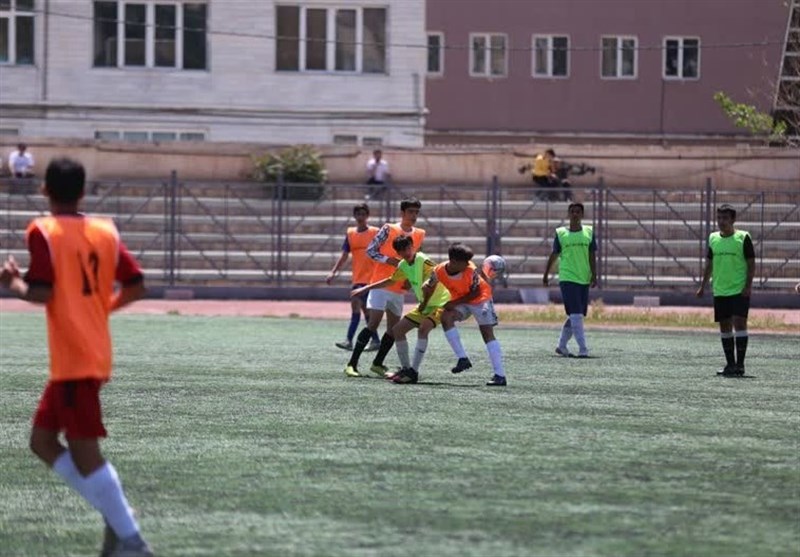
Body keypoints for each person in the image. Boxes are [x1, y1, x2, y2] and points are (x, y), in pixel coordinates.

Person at [0, 157, 153, 557]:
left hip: (74, 358)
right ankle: (118, 519)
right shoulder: (104, 230)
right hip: (91, 352)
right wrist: (101, 309)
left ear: (44, 190)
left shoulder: (43, 230)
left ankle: (131, 538)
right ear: (84, 192)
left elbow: (41, 292)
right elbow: (136, 285)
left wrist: (12, 282)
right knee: (42, 441)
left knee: (85, 452)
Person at [351, 234, 450, 384]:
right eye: (402, 250)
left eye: (408, 248)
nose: (406, 252)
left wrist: (424, 304)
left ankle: (413, 372)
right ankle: (406, 369)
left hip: (439, 303)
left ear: (413, 247)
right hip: (425, 304)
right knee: (397, 330)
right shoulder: (403, 264)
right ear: (398, 253)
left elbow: (434, 282)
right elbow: (391, 280)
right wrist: (366, 288)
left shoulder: (423, 260)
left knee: (423, 329)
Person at [343, 197, 425, 378]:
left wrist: (410, 280)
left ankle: (377, 363)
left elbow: (415, 260)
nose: (414, 216)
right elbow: (370, 250)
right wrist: (389, 260)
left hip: (399, 288)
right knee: (373, 323)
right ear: (402, 213)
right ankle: (351, 364)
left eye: (416, 212)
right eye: (410, 212)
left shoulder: (420, 233)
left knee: (393, 329)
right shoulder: (388, 228)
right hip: (380, 283)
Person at [423, 243, 508, 387]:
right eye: (465, 261)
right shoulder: (438, 270)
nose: (468, 264)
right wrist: (424, 303)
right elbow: (429, 286)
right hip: (462, 300)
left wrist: (453, 303)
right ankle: (463, 359)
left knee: (487, 333)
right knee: (446, 317)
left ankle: (500, 375)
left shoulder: (470, 270)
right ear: (453, 261)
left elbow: (476, 292)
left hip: (481, 300)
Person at [696, 204, 756, 377]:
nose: (721, 221)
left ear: (733, 219)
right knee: (724, 327)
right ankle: (730, 365)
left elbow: (751, 263)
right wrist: (702, 286)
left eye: (725, 218)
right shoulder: (713, 238)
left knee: (739, 323)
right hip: (720, 290)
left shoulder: (743, 237)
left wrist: (748, 285)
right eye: (719, 218)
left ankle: (740, 366)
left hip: (739, 290)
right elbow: (709, 264)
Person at [542, 202, 598, 358]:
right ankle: (583, 349)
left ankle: (561, 346)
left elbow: (592, 255)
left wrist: (594, 274)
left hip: (583, 277)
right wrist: (546, 274)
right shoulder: (561, 233)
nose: (575, 214)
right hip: (567, 277)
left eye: (578, 212)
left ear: (582, 215)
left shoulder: (589, 232)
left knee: (576, 314)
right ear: (568, 214)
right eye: (572, 211)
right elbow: (554, 254)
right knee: (576, 314)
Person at [326, 203, 381, 352]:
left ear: (367, 216)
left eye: (363, 214)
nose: (360, 217)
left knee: (357, 305)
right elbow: (344, 255)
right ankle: (375, 340)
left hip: (371, 278)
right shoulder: (351, 233)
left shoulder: (375, 232)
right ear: (354, 216)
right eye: (358, 214)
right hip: (358, 278)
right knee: (365, 311)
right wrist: (333, 272)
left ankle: (349, 340)